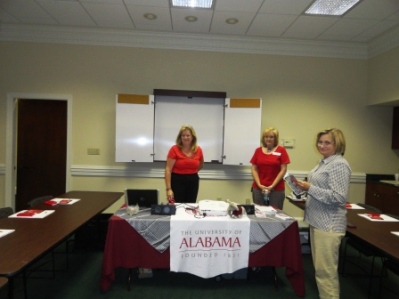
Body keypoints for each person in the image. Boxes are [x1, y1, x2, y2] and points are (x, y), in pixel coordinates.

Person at [295, 128, 351, 299]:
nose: (322, 145)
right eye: (320, 142)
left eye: (327, 142)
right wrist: (303, 188)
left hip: (329, 224)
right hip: (318, 221)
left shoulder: (339, 164)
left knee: (326, 274)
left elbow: (339, 197)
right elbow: (323, 189)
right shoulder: (324, 162)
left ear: (337, 144)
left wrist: (310, 187)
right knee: (321, 271)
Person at [250, 127, 290, 209]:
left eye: (271, 137)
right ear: (263, 138)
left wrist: (272, 186)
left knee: (275, 214)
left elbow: (283, 170)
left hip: (276, 189)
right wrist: (259, 185)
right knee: (259, 212)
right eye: (266, 136)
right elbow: (254, 169)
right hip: (258, 188)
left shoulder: (281, 150)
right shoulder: (258, 150)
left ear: (275, 138)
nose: (268, 139)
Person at [165, 125, 204, 203]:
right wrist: (169, 189)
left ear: (192, 137)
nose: (185, 137)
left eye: (188, 135)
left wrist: (190, 172)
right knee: (177, 206)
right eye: (183, 135)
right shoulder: (174, 149)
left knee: (190, 205)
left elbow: (201, 164)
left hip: (193, 180)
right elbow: (168, 170)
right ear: (180, 137)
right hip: (177, 180)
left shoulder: (198, 150)